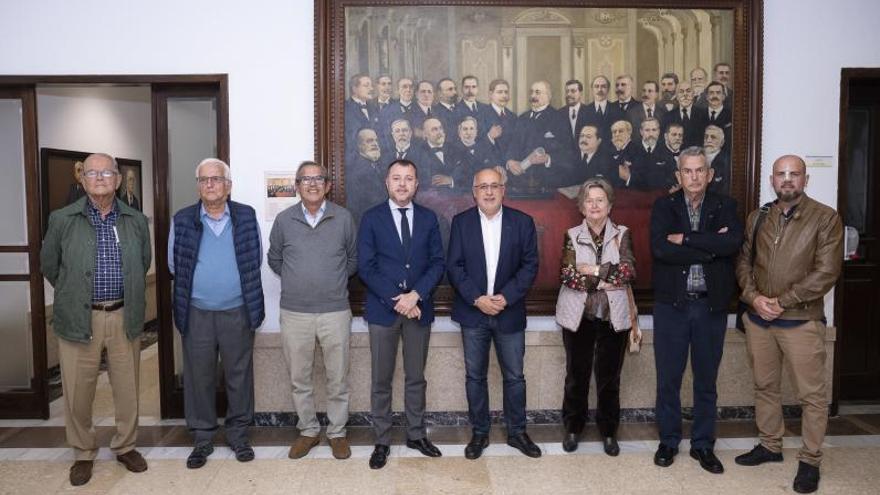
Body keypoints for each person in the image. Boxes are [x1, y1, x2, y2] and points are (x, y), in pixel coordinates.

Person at [734, 155, 843, 494]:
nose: (787, 180)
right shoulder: (759, 217)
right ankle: (770, 445)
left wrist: (781, 302)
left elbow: (826, 273)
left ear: (805, 180)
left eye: (794, 174)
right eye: (781, 174)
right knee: (766, 386)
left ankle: (810, 460)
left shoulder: (826, 218)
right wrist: (754, 298)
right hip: (760, 320)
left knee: (811, 396)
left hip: (801, 321)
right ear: (772, 180)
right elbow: (743, 262)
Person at [41, 153, 151, 486]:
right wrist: (75, 295)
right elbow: (50, 265)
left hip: (122, 315)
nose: (100, 178)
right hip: (79, 317)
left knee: (128, 387)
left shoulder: (134, 219)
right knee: (78, 390)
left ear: (118, 180)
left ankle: (126, 445)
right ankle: (83, 452)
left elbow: (143, 261)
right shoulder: (62, 219)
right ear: (82, 180)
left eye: (106, 172)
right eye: (92, 173)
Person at [650, 146, 743, 474]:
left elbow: (731, 244)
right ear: (678, 175)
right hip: (671, 307)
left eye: (699, 170)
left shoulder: (725, 206)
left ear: (710, 174)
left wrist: (686, 239)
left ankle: (703, 445)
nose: (693, 176)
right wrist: (708, 248)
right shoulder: (663, 206)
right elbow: (660, 250)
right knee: (668, 379)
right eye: (687, 171)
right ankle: (669, 441)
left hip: (710, 307)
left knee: (706, 380)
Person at [168, 158, 265, 469]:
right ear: (198, 185)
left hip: (237, 310)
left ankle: (238, 435)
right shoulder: (182, 219)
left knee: (239, 376)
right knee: (199, 377)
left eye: (216, 179)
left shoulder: (246, 217)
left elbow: (255, 258)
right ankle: (203, 438)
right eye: (203, 180)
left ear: (228, 185)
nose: (209, 185)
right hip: (197, 313)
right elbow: (174, 265)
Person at [357, 159, 445, 469]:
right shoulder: (371, 219)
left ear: (417, 184)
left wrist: (416, 295)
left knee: (415, 378)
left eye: (409, 178)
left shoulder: (429, 218)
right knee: (381, 379)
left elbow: (437, 263)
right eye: (397, 178)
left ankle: (416, 434)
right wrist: (399, 299)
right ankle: (381, 440)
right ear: (387, 182)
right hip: (384, 311)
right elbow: (366, 266)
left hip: (419, 309)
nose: (403, 184)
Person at [447, 168, 540, 459]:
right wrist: (477, 299)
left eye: (494, 186)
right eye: (483, 187)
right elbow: (454, 267)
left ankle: (517, 432)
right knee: (475, 377)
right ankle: (479, 433)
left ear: (504, 189)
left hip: (508, 312)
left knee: (515, 376)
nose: (488, 192)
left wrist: (505, 297)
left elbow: (529, 266)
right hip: (473, 313)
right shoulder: (461, 223)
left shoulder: (522, 222)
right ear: (474, 192)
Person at [268, 161, 358, 461]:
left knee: (338, 377)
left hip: (335, 311)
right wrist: (299, 281)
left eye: (319, 178)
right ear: (296, 186)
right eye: (305, 179)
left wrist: (329, 282)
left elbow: (353, 260)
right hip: (295, 313)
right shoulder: (283, 220)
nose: (312, 184)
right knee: (299, 378)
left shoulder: (343, 218)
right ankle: (308, 430)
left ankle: (337, 433)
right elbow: (275, 259)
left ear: (328, 185)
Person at [555, 177, 636, 455]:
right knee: (576, 376)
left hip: (614, 318)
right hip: (579, 317)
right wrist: (606, 276)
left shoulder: (623, 233)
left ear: (610, 204)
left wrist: (592, 270)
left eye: (600, 200)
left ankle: (609, 431)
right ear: (581, 206)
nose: (594, 205)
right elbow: (567, 274)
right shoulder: (571, 234)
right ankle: (573, 428)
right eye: (589, 200)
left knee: (609, 378)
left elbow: (627, 272)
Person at [506, 80, 572, 191]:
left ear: (548, 96)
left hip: (547, 182)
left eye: (537, 92)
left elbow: (568, 152)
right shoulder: (522, 118)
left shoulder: (559, 118)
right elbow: (513, 145)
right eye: (531, 92)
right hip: (520, 181)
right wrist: (510, 161)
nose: (533, 96)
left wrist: (548, 158)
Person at [347, 128, 387, 220]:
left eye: (376, 140)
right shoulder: (357, 171)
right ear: (359, 145)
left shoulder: (378, 165)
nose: (375, 144)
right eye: (369, 141)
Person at [662, 82, 707, 148]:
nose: (685, 94)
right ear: (676, 96)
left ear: (693, 94)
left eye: (688, 91)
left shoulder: (703, 115)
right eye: (681, 92)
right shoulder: (668, 117)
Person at [581, 75, 625, 142]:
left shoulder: (617, 110)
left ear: (608, 89)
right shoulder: (584, 111)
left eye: (603, 86)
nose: (600, 90)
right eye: (596, 86)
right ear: (592, 89)